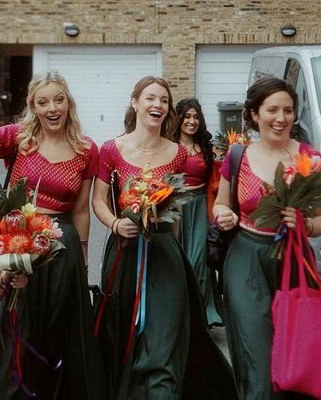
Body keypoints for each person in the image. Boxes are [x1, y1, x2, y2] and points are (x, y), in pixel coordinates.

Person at [0, 70, 103, 400]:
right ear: (33, 107)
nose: (52, 108)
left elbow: (80, 211)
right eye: (43, 102)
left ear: (69, 104)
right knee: (17, 329)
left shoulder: (85, 149)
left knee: (56, 333)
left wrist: (83, 260)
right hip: (15, 245)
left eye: (59, 100)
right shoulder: (18, 139)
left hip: (61, 251)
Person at [92, 76, 236, 400]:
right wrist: (115, 224)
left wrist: (174, 246)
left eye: (164, 101)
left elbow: (177, 211)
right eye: (150, 98)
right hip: (124, 253)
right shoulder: (111, 150)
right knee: (125, 336)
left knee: (165, 337)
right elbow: (98, 200)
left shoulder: (177, 155)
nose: (158, 105)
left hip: (165, 253)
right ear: (135, 103)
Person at [212, 76, 321, 400]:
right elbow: (221, 204)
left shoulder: (311, 160)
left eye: (288, 110)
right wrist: (222, 215)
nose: (281, 118)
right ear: (254, 114)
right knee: (256, 353)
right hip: (245, 258)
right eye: (272, 110)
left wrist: (305, 224)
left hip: (293, 260)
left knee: (295, 355)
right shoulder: (237, 156)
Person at [173, 97, 221, 327]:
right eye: (187, 117)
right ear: (179, 119)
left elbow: (214, 179)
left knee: (199, 260)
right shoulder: (169, 146)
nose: (192, 121)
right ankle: (181, 316)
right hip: (176, 208)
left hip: (200, 206)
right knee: (179, 261)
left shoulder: (205, 147)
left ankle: (202, 315)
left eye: (195, 117)